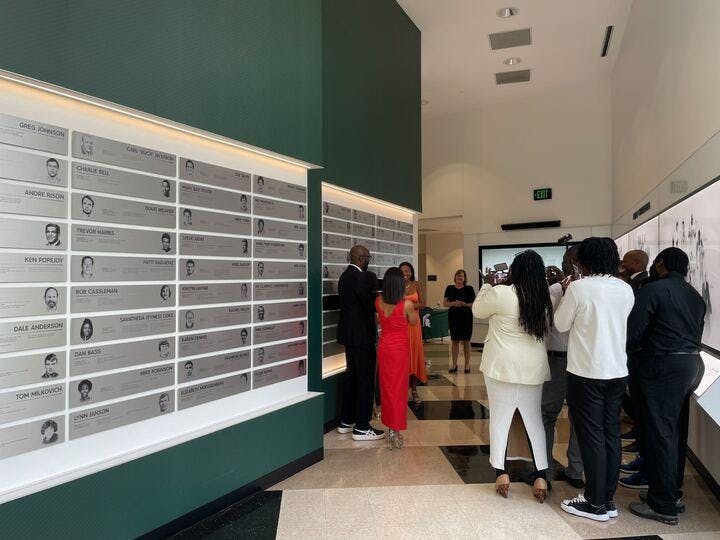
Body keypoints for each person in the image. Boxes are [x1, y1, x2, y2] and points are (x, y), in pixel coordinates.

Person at [554, 237, 634, 522]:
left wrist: (566, 295)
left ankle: (594, 502)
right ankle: (607, 499)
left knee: (590, 437)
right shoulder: (625, 289)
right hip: (617, 372)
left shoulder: (578, 288)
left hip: (586, 373)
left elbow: (561, 325)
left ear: (583, 260)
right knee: (610, 434)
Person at [626, 247, 706, 525]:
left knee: (660, 434)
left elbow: (634, 334)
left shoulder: (653, 290)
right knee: (676, 433)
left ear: (660, 264)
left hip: (663, 367)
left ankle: (662, 505)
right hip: (692, 365)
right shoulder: (694, 295)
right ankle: (673, 495)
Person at [472, 250, 552, 503]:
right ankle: (541, 476)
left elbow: (477, 310)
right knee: (534, 420)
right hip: (532, 368)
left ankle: (501, 474)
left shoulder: (501, 293)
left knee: (500, 419)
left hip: (501, 367)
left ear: (514, 270)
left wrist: (486, 283)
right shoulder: (543, 297)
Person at [542, 253, 585, 490]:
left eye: (571, 262)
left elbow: (548, 324)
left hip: (574, 361)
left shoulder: (579, 290)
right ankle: (546, 470)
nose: (568, 267)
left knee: (574, 417)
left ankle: (573, 470)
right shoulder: (555, 289)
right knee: (549, 415)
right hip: (560, 360)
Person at [336, 244, 384, 441]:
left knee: (352, 377)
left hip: (349, 336)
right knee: (365, 380)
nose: (369, 261)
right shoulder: (361, 278)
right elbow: (370, 304)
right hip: (362, 336)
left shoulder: (344, 276)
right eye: (368, 258)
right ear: (361, 258)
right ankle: (362, 426)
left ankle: (347, 421)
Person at [617, 249, 651, 489]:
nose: (622, 263)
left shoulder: (643, 285)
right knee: (636, 399)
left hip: (639, 354)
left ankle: (642, 447)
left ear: (637, 263)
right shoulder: (630, 282)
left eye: (626, 260)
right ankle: (639, 439)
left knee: (641, 402)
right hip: (633, 353)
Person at [375, 267, 418, 449]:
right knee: (399, 390)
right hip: (400, 350)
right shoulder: (406, 304)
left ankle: (391, 428)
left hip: (384, 348)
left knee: (387, 389)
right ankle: (396, 430)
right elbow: (414, 321)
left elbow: (378, 321)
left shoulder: (378, 301)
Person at [399, 262, 426, 403]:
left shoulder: (416, 284)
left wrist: (409, 306)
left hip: (414, 326)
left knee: (414, 356)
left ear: (412, 272)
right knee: (403, 358)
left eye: (408, 270)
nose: (405, 273)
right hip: (401, 325)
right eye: (403, 271)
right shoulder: (396, 286)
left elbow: (423, 303)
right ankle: (402, 390)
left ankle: (414, 390)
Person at [443, 269, 476, 373]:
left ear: (464, 278)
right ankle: (454, 364)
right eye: (458, 276)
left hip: (466, 317)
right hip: (454, 317)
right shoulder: (449, 288)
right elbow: (445, 303)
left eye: (461, 276)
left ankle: (467, 364)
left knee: (466, 341)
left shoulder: (469, 289)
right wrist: (453, 303)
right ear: (455, 277)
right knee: (455, 341)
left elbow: (474, 304)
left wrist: (465, 304)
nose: (459, 278)